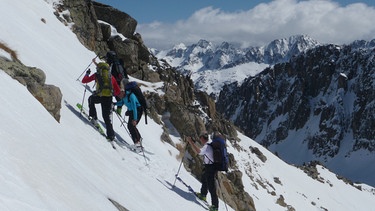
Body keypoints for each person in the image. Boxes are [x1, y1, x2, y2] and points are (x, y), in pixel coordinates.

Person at [81, 57, 121, 141]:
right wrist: (112, 94)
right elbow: (118, 91)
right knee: (106, 117)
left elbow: (84, 81)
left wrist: (87, 74)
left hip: (100, 96)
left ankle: (94, 117)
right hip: (109, 98)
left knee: (91, 99)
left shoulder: (97, 74)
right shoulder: (111, 77)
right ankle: (111, 135)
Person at [187, 132, 219, 211]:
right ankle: (203, 194)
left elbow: (199, 152)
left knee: (211, 186)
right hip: (211, 166)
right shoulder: (210, 144)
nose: (200, 140)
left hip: (211, 167)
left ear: (202, 138)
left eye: (200, 138)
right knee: (204, 178)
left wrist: (191, 142)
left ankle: (215, 206)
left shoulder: (207, 146)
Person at [115, 81, 143, 147]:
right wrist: (114, 103)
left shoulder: (131, 96)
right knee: (130, 126)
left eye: (119, 94)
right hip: (132, 111)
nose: (119, 96)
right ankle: (138, 139)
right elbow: (121, 103)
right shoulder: (124, 97)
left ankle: (138, 142)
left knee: (132, 125)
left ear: (122, 92)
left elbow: (134, 108)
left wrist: (135, 119)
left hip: (137, 110)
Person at [105, 51, 129, 115]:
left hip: (114, 81)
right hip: (119, 81)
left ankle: (111, 105)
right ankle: (119, 111)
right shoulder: (118, 63)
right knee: (118, 96)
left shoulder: (112, 64)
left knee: (113, 94)